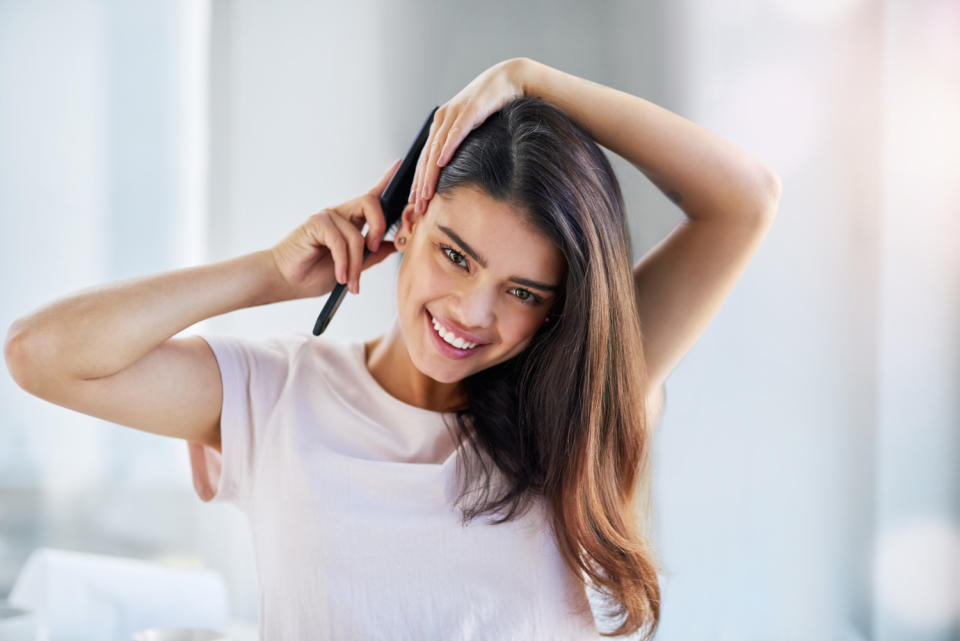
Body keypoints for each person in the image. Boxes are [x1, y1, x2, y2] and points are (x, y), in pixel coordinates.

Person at [4, 57, 781, 640]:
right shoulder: (275, 396)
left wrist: (530, 80)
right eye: (455, 255)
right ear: (407, 219)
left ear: (556, 310)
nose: (471, 313)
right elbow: (42, 353)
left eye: (524, 292)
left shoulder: (577, 403)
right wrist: (269, 273)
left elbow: (743, 201)